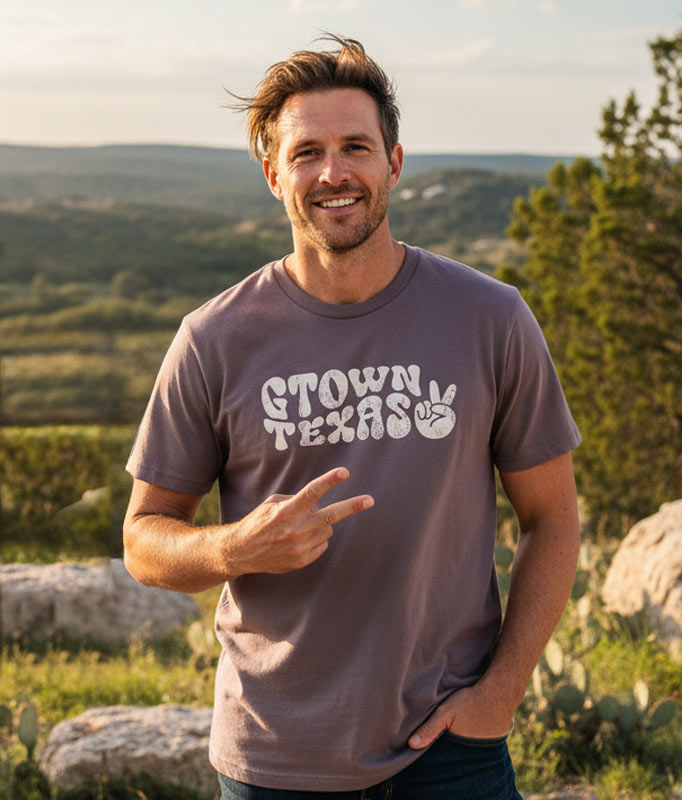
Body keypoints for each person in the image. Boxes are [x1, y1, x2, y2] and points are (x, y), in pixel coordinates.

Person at [123, 34, 581, 800]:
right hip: (273, 759)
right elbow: (144, 541)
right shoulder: (214, 339)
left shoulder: (490, 318)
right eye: (306, 153)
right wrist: (236, 546)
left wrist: (500, 694)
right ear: (274, 175)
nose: (333, 173)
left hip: (451, 751)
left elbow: (555, 519)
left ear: (393, 164)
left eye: (356, 148)